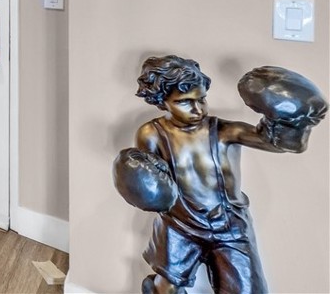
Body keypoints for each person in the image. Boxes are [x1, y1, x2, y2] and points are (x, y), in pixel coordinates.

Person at [124, 55, 326, 294]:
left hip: (229, 224)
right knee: (167, 287)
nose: (197, 109)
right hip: (178, 223)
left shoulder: (223, 130)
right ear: (162, 101)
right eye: (185, 102)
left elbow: (275, 143)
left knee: (246, 290)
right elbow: (151, 181)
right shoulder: (151, 133)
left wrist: (294, 121)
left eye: (201, 99)